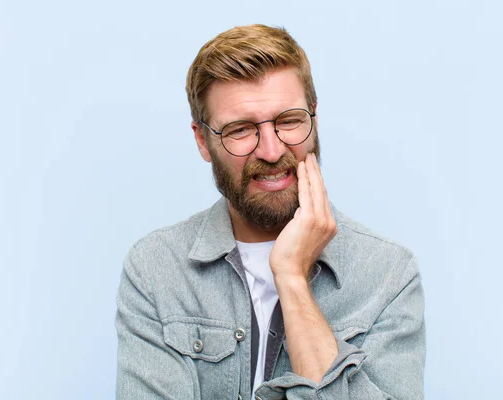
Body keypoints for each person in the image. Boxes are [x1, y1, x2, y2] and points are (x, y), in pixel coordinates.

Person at [115, 24, 425, 400]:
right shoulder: (157, 269)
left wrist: (292, 279)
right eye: (241, 129)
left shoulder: (387, 274)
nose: (272, 150)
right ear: (202, 140)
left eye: (289, 121)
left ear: (313, 117)